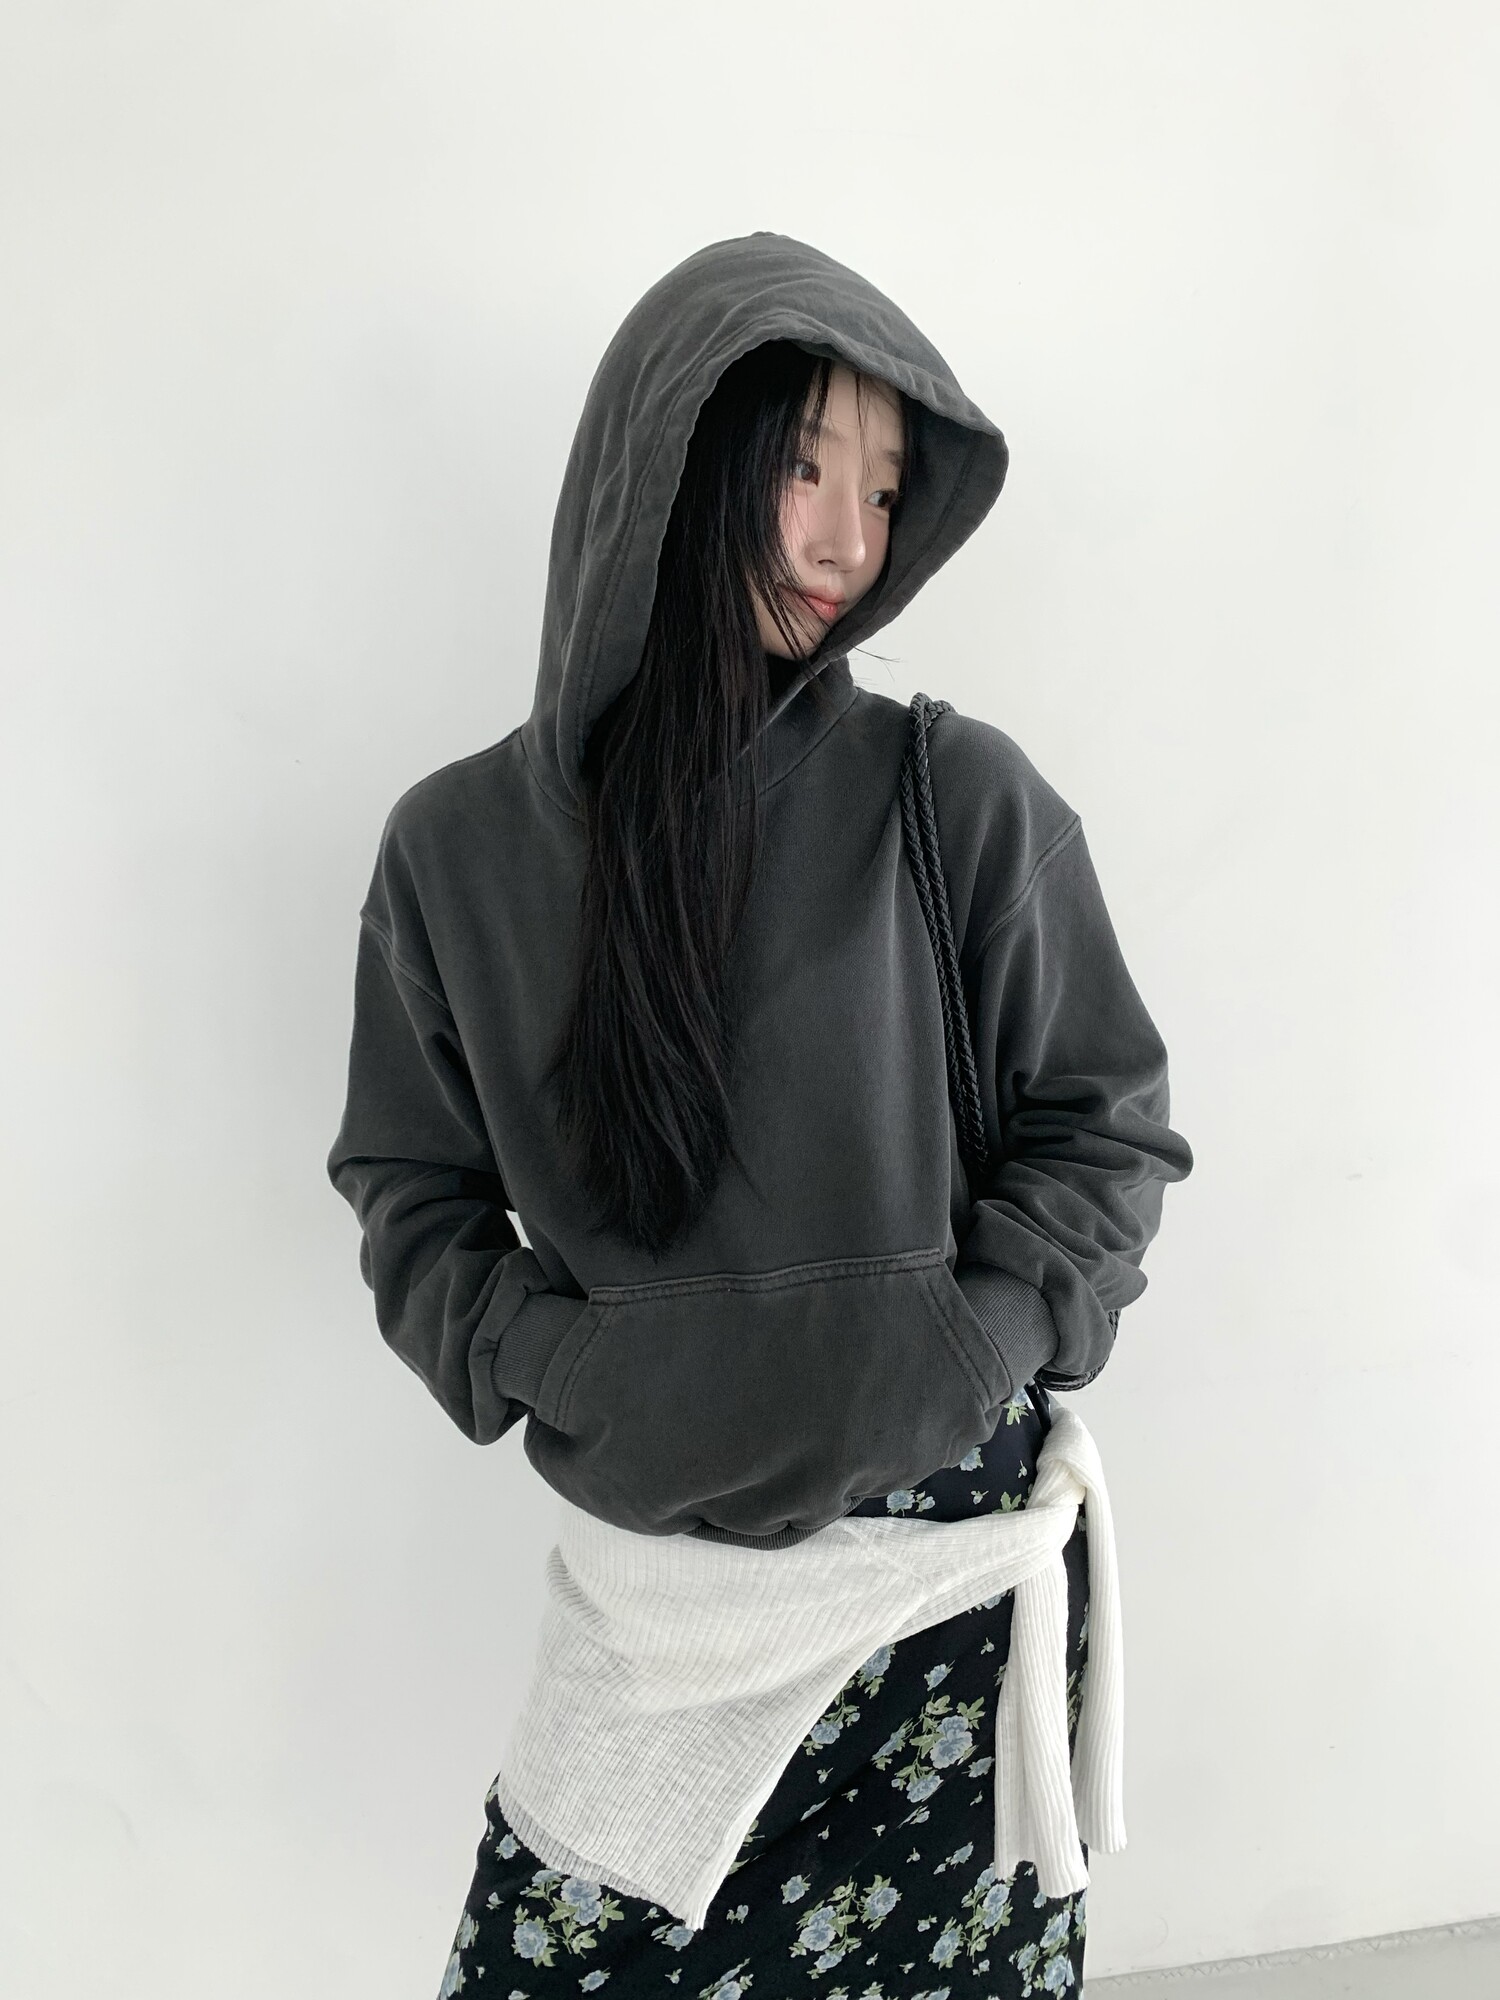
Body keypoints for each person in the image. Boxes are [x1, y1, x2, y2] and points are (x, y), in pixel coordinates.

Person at [327, 230, 1194, 2000]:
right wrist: (562, 1365)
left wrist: (972, 1339)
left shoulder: (957, 796)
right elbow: (410, 1186)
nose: (844, 543)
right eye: (803, 466)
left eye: (881, 489)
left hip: (949, 1598)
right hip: (659, 1617)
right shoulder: (459, 854)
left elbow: (1107, 1128)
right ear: (665, 459)